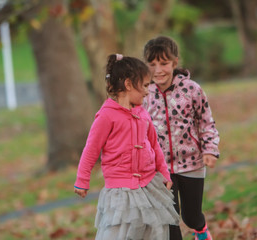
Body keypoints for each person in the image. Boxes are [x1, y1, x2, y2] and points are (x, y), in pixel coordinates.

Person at [74, 53, 179, 240]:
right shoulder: (106, 116)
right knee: (119, 232)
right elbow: (91, 150)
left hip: (148, 185)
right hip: (121, 189)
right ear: (129, 84)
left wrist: (164, 172)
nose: (148, 91)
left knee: (151, 230)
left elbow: (154, 146)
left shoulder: (143, 114)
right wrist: (82, 180)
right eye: (145, 86)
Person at [142, 36, 220, 240]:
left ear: (175, 62)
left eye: (163, 63)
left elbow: (206, 122)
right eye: (152, 64)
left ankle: (201, 230)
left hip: (192, 164)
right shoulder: (144, 94)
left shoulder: (192, 90)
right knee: (169, 219)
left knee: (191, 217)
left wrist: (210, 149)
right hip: (160, 168)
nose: (158, 70)